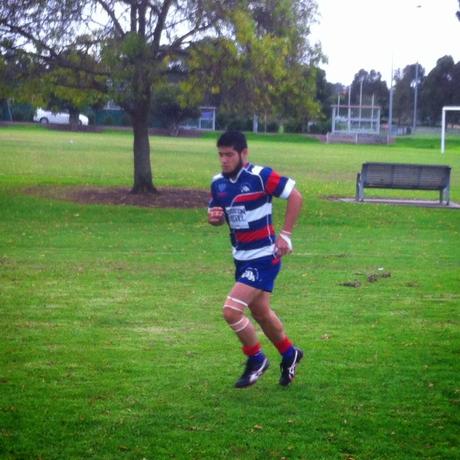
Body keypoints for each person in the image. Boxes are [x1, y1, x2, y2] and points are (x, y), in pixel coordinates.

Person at [208, 131, 303, 388]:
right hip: (241, 258)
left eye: (229, 154)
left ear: (243, 154)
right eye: (221, 155)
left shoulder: (260, 176)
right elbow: (216, 214)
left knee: (231, 311)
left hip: (264, 257)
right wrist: (215, 218)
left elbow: (295, 195)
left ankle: (256, 358)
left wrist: (286, 235)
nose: (224, 160)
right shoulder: (218, 183)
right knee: (261, 313)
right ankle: (289, 353)